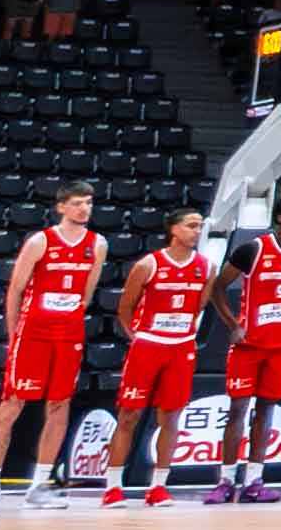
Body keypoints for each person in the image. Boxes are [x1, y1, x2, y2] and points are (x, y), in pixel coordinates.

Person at [0, 183, 106, 507]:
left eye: (88, 203)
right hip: (33, 332)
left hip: (69, 333)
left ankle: (39, 486)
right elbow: (16, 290)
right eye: (77, 203)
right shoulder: (41, 241)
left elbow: (87, 293)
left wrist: (70, 315)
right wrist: (13, 334)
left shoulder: (98, 243)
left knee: (60, 405)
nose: (84, 209)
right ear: (61, 207)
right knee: (12, 404)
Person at [93, 211, 217, 506]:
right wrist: (138, 337)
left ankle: (158, 486)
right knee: (129, 415)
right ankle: (113, 487)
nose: (197, 231)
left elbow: (199, 306)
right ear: (173, 229)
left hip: (181, 347)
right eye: (191, 226)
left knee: (171, 416)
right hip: (148, 345)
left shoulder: (207, 267)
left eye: (200, 226)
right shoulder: (149, 264)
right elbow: (125, 308)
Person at [214, 200, 281, 505]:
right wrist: (233, 325)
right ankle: (225, 481)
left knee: (266, 411)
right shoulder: (253, 249)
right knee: (238, 410)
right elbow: (217, 287)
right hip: (249, 345)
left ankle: (254, 481)